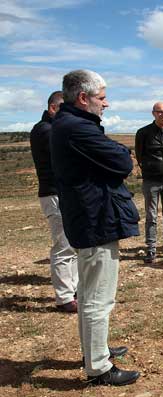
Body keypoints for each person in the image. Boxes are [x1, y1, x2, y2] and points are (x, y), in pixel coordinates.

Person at [51, 69, 140, 386]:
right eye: (102, 98)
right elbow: (123, 162)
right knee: (98, 298)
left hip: (89, 218)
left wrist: (116, 153)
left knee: (89, 293)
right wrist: (121, 153)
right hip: (95, 220)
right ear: (83, 98)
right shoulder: (78, 129)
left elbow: (115, 158)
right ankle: (99, 367)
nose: (107, 104)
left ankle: (94, 351)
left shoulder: (69, 124)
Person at [29, 91, 79, 312]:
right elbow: (67, 155)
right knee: (63, 245)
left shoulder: (49, 129)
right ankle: (65, 298)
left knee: (72, 243)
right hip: (54, 194)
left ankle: (74, 289)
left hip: (61, 192)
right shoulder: (45, 131)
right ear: (53, 109)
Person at [135, 102, 163, 263]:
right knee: (151, 216)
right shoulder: (143, 133)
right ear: (153, 113)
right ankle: (151, 249)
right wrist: (148, 168)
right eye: (160, 112)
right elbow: (139, 155)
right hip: (151, 181)